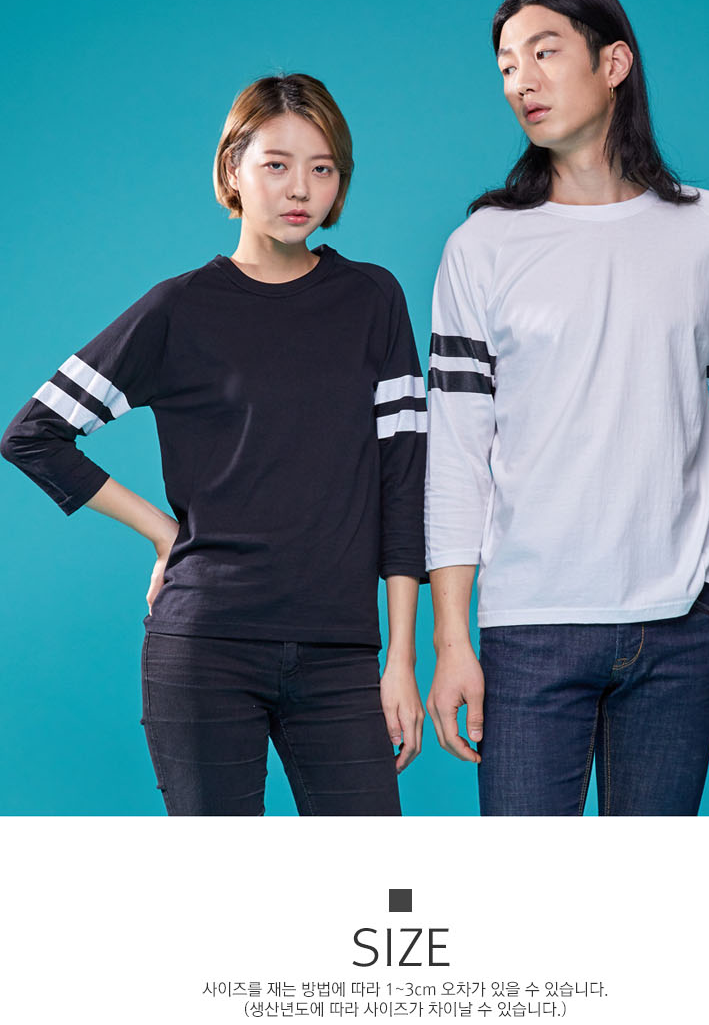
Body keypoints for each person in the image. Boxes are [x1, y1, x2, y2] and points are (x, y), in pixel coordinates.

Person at [1, 72, 426, 817]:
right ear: (233, 169)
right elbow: (33, 434)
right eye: (276, 164)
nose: (301, 189)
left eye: (322, 168)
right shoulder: (180, 308)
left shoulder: (373, 300)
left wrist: (402, 658)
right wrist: (164, 533)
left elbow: (402, 481)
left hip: (341, 653)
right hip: (205, 648)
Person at [425, 0, 709, 815]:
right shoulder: (483, 246)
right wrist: (451, 640)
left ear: (614, 62)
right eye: (507, 65)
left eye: (544, 53)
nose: (520, 82)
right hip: (531, 627)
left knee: (649, 891)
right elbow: (455, 454)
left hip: (682, 625)